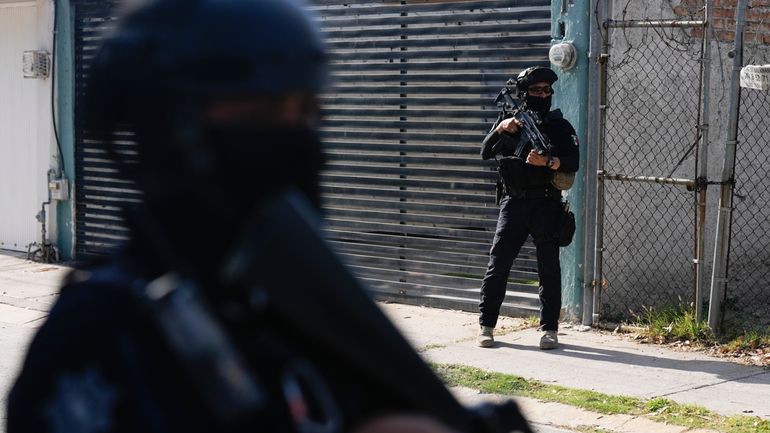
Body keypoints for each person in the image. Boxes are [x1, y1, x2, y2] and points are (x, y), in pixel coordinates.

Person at [7, 1, 531, 432]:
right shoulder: (100, 335)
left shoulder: (284, 298)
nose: (299, 141)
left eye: (307, 113)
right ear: (162, 127)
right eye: (259, 114)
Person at [476, 66, 579, 350]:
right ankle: (486, 326)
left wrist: (547, 162)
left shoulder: (559, 126)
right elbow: (485, 152)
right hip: (514, 202)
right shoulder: (508, 120)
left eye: (547, 91)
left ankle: (549, 330)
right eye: (536, 90)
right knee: (498, 265)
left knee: (549, 269)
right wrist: (501, 128)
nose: (543, 95)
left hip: (546, 203)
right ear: (523, 93)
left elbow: (573, 161)